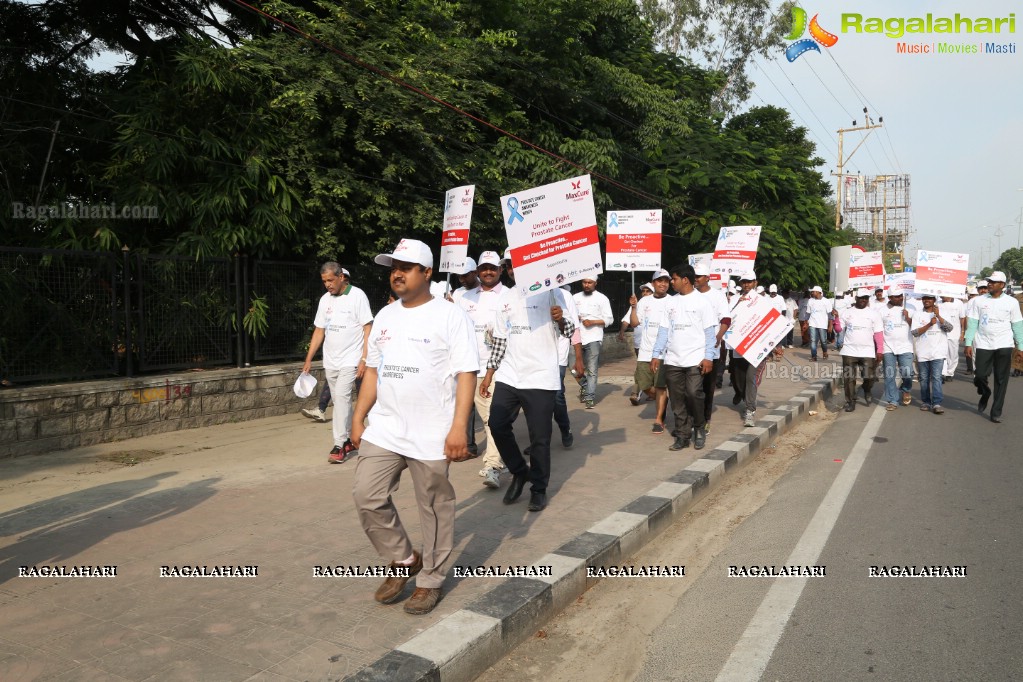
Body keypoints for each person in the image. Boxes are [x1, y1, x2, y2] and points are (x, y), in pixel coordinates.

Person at [349, 238, 478, 615]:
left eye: (406, 267)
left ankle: (431, 580)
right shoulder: (386, 316)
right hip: (386, 427)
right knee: (366, 495)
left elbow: (466, 373)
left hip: (432, 431)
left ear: (427, 273)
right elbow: (373, 371)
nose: (397, 273)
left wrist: (459, 429)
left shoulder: (450, 315)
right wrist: (359, 417)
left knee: (434, 508)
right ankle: (405, 560)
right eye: (394, 267)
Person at [480, 278, 577, 512]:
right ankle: (520, 472)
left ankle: (539, 489)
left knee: (539, 438)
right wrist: (489, 373)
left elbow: (570, 331)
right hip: (510, 375)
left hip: (541, 377)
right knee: (497, 423)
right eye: (511, 264)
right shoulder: (507, 296)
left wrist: (560, 318)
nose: (515, 268)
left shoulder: (555, 294)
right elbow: (501, 340)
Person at [303, 262, 373, 463]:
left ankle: (339, 444)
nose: (327, 285)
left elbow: (367, 327)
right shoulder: (325, 300)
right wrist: (309, 359)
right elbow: (319, 330)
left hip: (351, 358)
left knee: (342, 398)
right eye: (324, 281)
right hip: (330, 359)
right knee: (340, 401)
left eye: (330, 280)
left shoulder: (357, 296)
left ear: (341, 277)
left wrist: (364, 358)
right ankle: (350, 438)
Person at [651, 263, 718, 450]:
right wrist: (656, 354)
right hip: (673, 359)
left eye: (674, 279)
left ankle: (699, 428)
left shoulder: (703, 302)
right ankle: (682, 435)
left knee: (693, 394)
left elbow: (710, 334)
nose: (671, 282)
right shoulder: (670, 302)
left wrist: (709, 358)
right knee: (677, 399)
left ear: (685, 280)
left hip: (695, 359)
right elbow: (664, 331)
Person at [458, 251, 509, 489]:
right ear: (478, 271)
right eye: (483, 268)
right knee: (488, 418)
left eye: (492, 268)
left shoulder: (509, 297)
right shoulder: (464, 298)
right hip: (470, 368)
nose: (488, 272)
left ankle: (493, 464)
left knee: (491, 419)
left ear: (500, 270)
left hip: (499, 367)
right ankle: (503, 458)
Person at [964, 271, 1023, 423]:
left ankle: (996, 411)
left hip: (1004, 344)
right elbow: (972, 324)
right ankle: (985, 392)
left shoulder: (1011, 302)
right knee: (980, 375)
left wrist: (1020, 347)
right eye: (989, 281)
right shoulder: (978, 301)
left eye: (994, 281)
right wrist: (968, 343)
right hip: (983, 343)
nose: (990, 283)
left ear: (1002, 285)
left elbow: (1017, 326)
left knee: (1001, 379)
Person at [728, 271, 773, 427]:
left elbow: (772, 322)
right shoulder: (734, 299)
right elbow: (726, 318)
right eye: (743, 282)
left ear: (755, 282)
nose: (746, 284)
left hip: (757, 348)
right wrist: (736, 304)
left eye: (749, 281)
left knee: (750, 378)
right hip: (739, 347)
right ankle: (742, 395)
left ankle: (750, 411)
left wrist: (776, 345)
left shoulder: (763, 301)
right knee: (738, 380)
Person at [631, 272, 673, 432]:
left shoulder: (672, 301)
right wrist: (633, 307)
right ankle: (663, 399)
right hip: (645, 351)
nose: (663, 284)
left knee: (661, 386)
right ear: (653, 283)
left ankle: (658, 420)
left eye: (666, 281)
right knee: (645, 384)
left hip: (664, 352)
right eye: (659, 281)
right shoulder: (644, 301)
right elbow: (635, 323)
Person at [695, 264, 731, 432]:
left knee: (707, 388)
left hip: (711, 350)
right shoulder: (690, 295)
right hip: (692, 349)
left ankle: (705, 419)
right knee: (692, 388)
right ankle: (694, 418)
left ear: (707, 278)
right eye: (694, 276)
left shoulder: (717, 296)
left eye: (699, 276)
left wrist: (718, 336)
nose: (696, 279)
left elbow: (726, 319)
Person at [838, 288, 883, 411]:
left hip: (867, 351)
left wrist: (880, 350)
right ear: (856, 298)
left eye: (866, 298)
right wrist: (835, 318)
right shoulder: (847, 312)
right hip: (849, 350)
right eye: (861, 297)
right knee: (849, 378)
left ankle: (866, 389)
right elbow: (838, 329)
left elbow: (878, 333)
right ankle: (850, 402)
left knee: (869, 376)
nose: (863, 300)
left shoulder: (874, 314)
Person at [573, 277, 614, 408]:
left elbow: (609, 319)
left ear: (595, 283)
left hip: (594, 337)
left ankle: (589, 396)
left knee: (592, 369)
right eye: (584, 282)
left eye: (590, 282)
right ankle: (585, 385)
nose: (587, 285)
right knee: (572, 367)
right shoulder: (574, 298)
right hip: (576, 338)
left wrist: (593, 322)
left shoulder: (602, 298)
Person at [911, 294, 953, 414]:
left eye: (929, 298)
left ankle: (936, 403)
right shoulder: (918, 314)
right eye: (924, 298)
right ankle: (926, 401)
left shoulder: (943, 311)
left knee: (936, 377)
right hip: (923, 351)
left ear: (934, 300)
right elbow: (915, 332)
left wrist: (939, 316)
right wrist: (929, 324)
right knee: (924, 378)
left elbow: (949, 328)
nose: (926, 301)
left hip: (938, 351)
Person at [879, 291, 914, 411]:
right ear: (889, 297)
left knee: (908, 372)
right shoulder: (882, 310)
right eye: (896, 296)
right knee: (889, 374)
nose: (899, 298)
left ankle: (906, 389)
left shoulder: (911, 308)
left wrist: (908, 318)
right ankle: (893, 400)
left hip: (906, 346)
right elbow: (878, 329)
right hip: (888, 346)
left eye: (900, 296)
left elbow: (917, 327)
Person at [620, 282, 653, 403]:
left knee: (649, 370)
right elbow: (626, 320)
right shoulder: (636, 305)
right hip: (639, 344)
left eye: (648, 291)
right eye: (643, 291)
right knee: (641, 370)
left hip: (654, 345)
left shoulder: (658, 305)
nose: (645, 293)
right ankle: (639, 392)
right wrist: (622, 332)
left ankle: (645, 392)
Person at [940, 294, 965, 383]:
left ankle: (950, 373)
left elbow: (962, 318)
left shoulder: (959, 303)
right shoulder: (937, 303)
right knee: (942, 353)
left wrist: (962, 332)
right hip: (941, 333)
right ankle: (942, 373)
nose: (941, 296)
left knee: (953, 354)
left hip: (954, 333)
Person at [806, 286, 832, 361]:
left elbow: (830, 314)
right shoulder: (810, 301)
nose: (812, 293)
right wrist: (806, 323)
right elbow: (808, 313)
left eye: (813, 291)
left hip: (822, 324)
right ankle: (814, 356)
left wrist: (830, 325)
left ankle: (825, 352)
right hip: (812, 323)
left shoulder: (826, 301)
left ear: (818, 292)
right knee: (813, 340)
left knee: (823, 340)